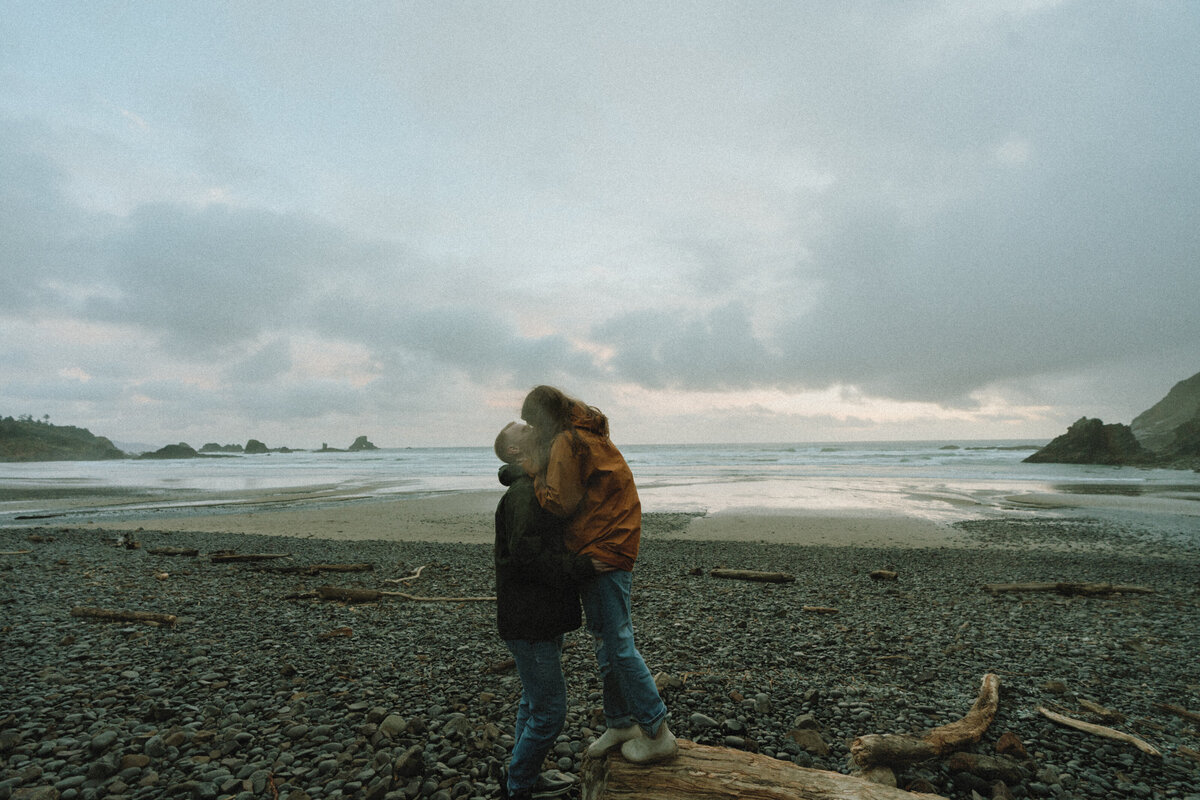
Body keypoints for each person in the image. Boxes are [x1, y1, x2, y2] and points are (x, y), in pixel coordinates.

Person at [520, 386, 678, 764]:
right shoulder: (585, 435)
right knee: (607, 645)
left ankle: (657, 732)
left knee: (618, 645)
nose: (529, 431)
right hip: (606, 541)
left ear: (542, 418)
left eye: (530, 423)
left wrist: (531, 474)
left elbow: (561, 501)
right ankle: (621, 722)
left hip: (603, 547)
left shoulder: (566, 441)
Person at [492, 421, 596, 800]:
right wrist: (581, 567)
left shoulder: (534, 486)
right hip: (529, 621)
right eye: (520, 428)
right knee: (550, 713)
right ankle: (518, 787)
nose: (529, 424)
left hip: (536, 617)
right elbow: (525, 556)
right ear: (516, 451)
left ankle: (524, 775)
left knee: (533, 702)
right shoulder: (523, 494)